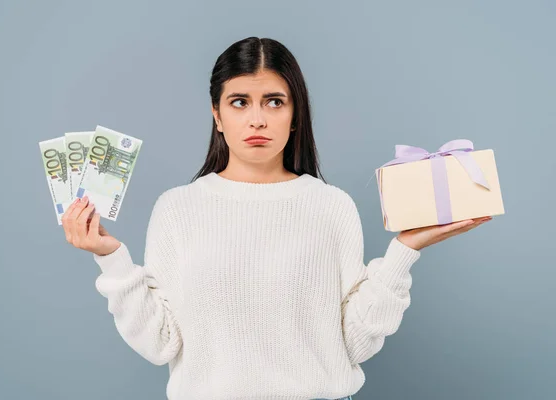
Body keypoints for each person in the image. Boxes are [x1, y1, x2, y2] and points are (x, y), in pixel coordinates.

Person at [61, 37, 492, 400]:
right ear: (217, 116)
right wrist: (112, 258)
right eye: (239, 102)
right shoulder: (177, 209)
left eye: (274, 101)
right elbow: (161, 344)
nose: (257, 118)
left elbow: (355, 343)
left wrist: (404, 250)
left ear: (294, 113)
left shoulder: (331, 206)